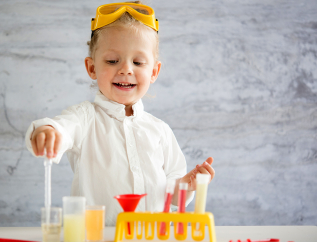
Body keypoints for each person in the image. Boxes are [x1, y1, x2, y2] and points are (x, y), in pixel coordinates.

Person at [25, 2, 215, 225]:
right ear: (92, 68)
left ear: (153, 71)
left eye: (138, 62)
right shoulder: (85, 118)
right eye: (112, 61)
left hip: (152, 238)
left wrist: (187, 184)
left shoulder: (160, 130)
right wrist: (48, 131)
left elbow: (171, 194)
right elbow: (63, 128)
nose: (126, 69)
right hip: (97, 238)